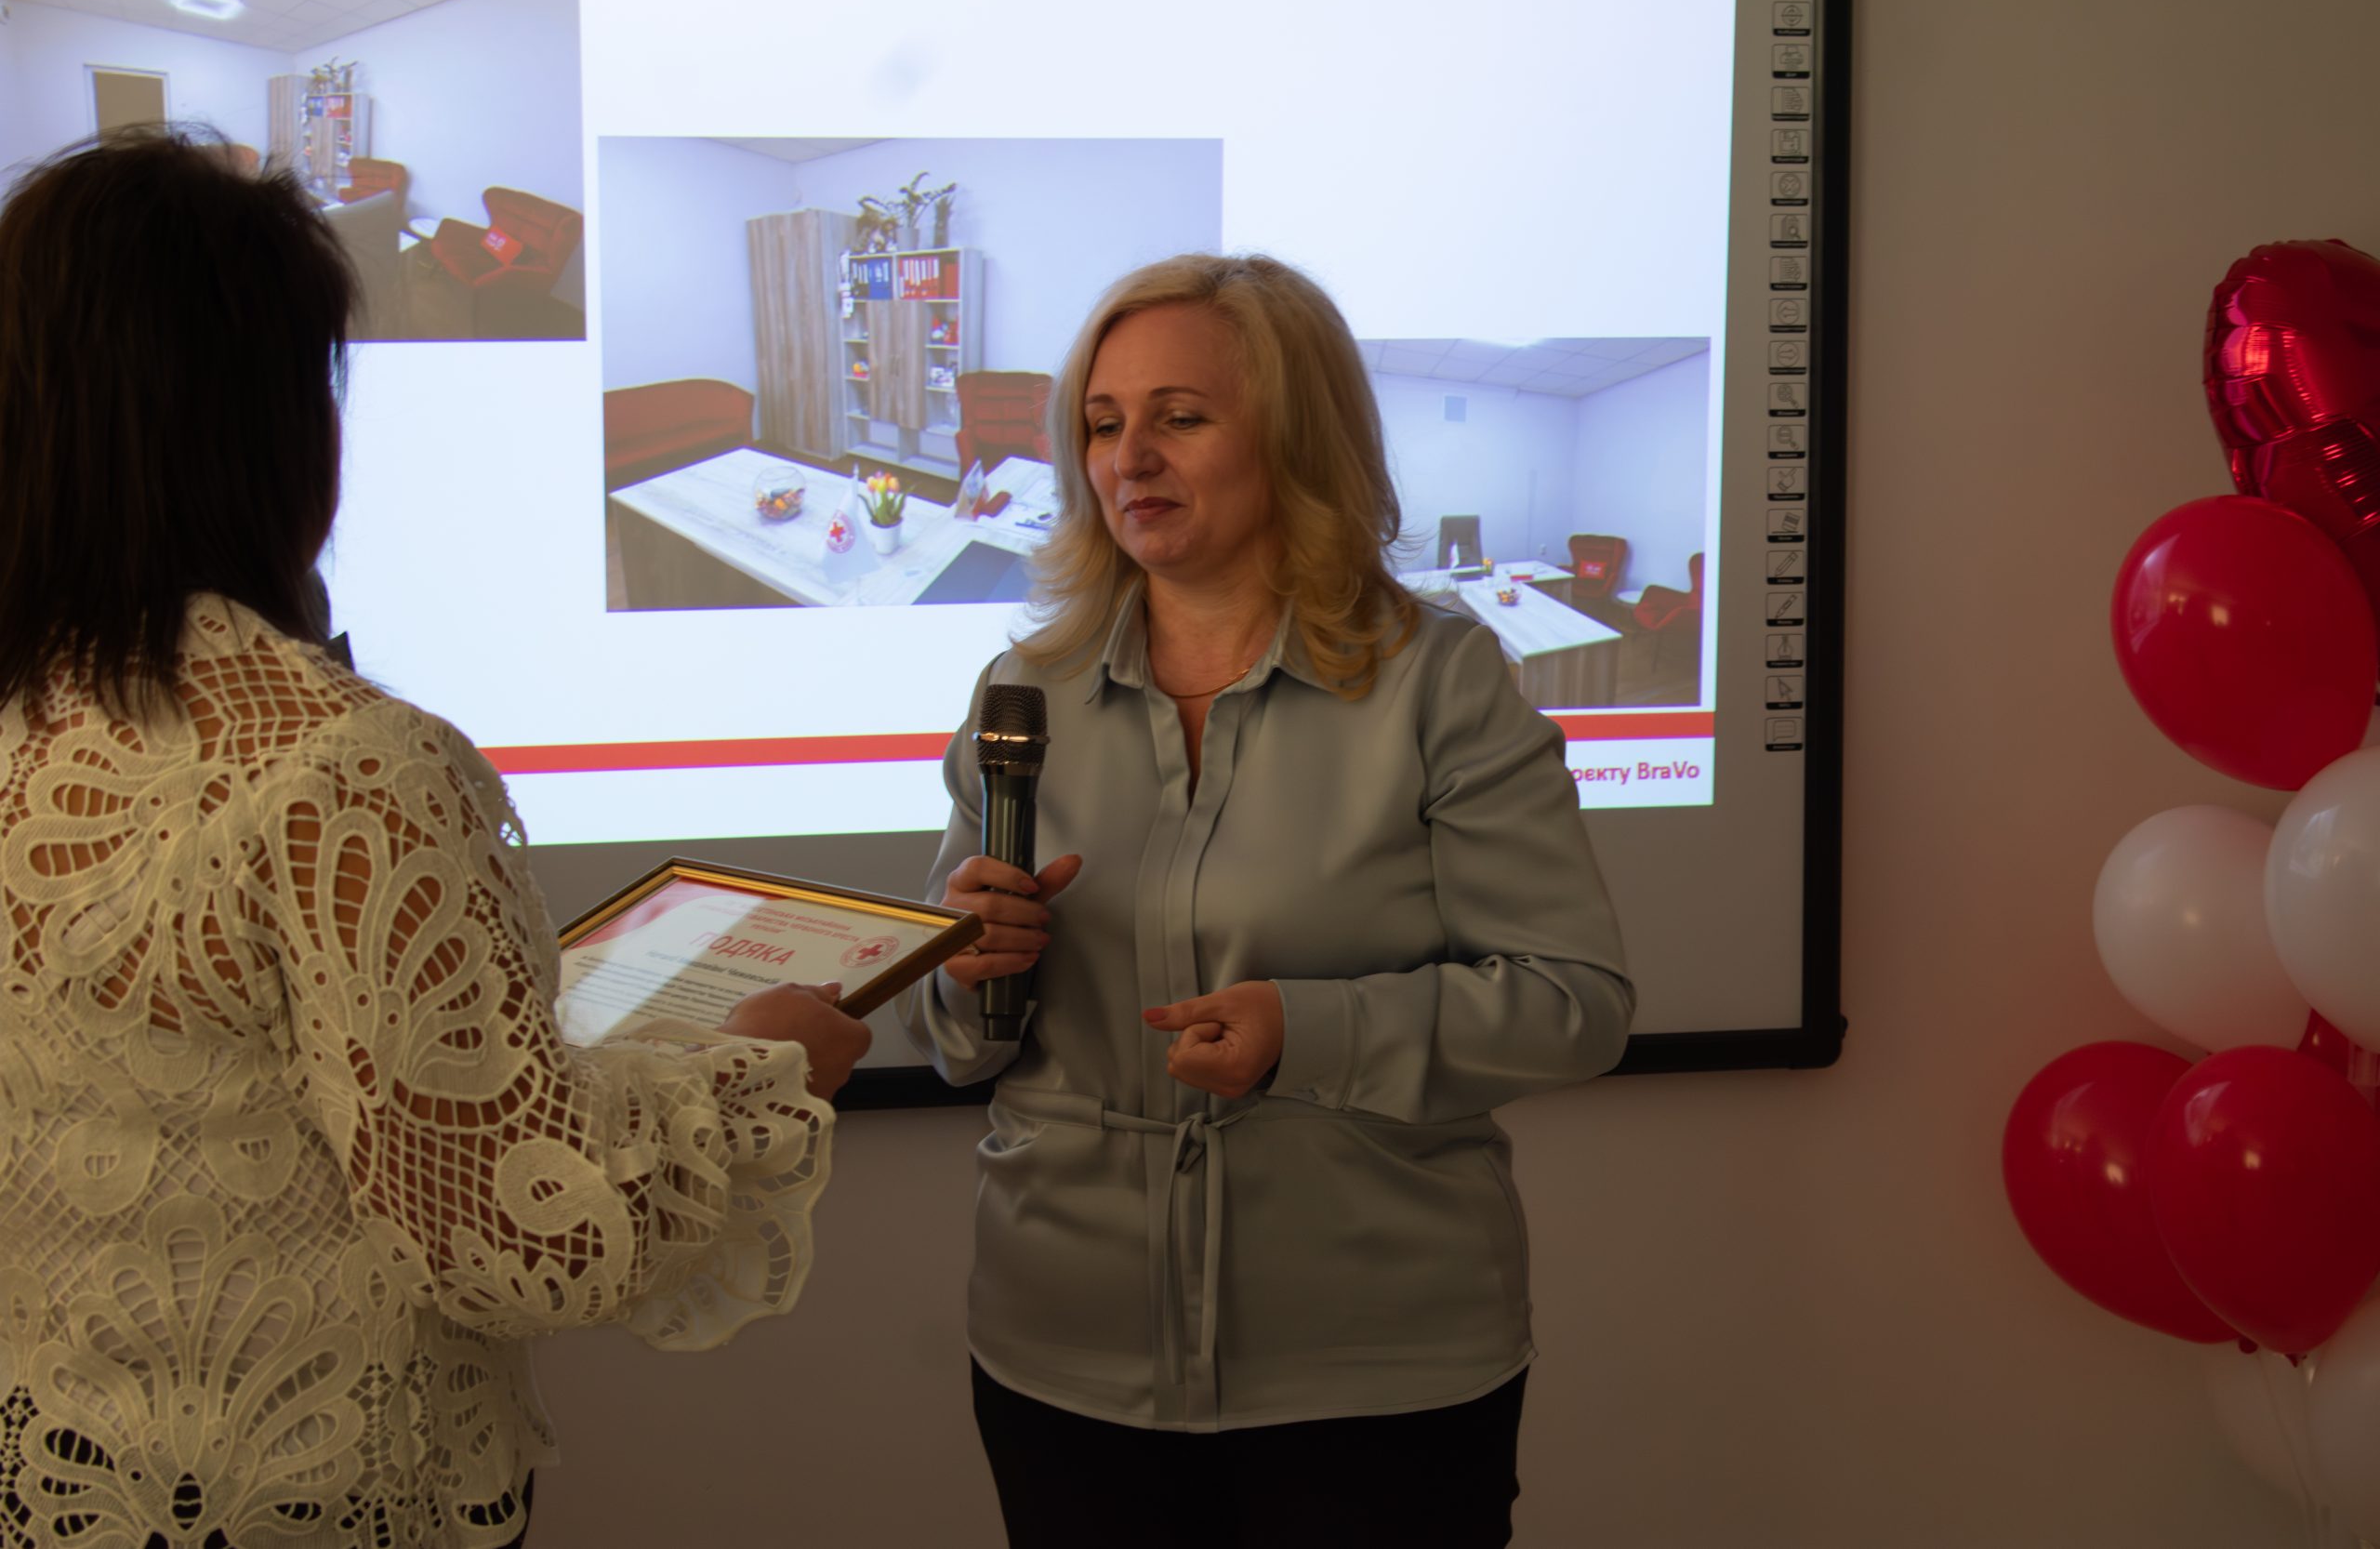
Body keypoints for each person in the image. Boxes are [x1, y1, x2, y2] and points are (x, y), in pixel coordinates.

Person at [0, 128, 871, 1547]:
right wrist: (757, 1071)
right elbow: (514, 1235)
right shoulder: (338, 763)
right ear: (269, 424)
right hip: (317, 1500)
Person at [906, 253, 1634, 1548]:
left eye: (1181, 417)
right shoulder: (1022, 694)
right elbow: (956, 1045)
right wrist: (967, 973)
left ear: (1297, 439)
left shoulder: (1439, 681)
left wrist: (1312, 1032)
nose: (1130, 458)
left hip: (1376, 1372)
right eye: (1103, 424)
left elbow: (1572, 1003)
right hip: (1065, 1352)